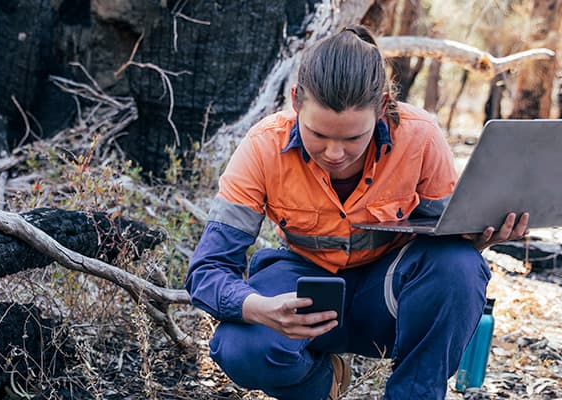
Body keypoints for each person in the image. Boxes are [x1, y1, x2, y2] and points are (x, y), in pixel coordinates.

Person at [184, 26, 529, 400]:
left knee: (460, 265)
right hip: (304, 296)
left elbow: (446, 255)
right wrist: (259, 308)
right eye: (318, 135)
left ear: (382, 107)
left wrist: (478, 236)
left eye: (352, 138)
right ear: (296, 100)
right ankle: (322, 383)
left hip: (388, 300)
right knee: (239, 348)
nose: (335, 153)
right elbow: (208, 269)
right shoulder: (262, 147)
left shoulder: (420, 136)